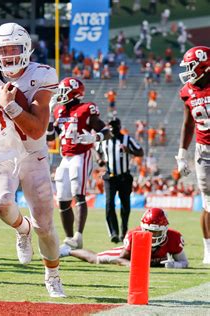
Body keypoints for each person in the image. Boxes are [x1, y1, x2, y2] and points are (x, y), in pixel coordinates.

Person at [0, 22, 65, 298]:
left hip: (34, 155)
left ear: (27, 48)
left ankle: (52, 276)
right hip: (2, 154)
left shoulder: (42, 75)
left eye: (14, 48)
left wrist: (10, 106)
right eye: (2, 50)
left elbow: (36, 129)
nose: (8, 55)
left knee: (46, 226)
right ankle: (22, 230)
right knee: (0, 204)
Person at [52, 77, 110, 251]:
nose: (60, 95)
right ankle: (69, 239)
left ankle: (78, 235)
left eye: (64, 91)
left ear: (74, 93)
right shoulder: (59, 111)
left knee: (79, 194)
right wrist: (48, 115)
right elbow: (49, 136)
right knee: (62, 198)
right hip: (65, 157)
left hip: (81, 154)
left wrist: (95, 137)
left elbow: (106, 130)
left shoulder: (86, 109)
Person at [60, 208, 189, 269]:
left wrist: (175, 265)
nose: (153, 235)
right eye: (149, 231)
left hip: (144, 259)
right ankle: (69, 251)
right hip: (130, 254)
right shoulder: (134, 235)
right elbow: (121, 258)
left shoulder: (173, 237)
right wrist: (133, 265)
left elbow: (184, 262)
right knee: (96, 259)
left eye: (156, 232)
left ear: (165, 229)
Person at [175, 46, 210, 265]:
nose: (188, 71)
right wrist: (181, 153)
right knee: (209, 204)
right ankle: (209, 249)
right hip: (204, 152)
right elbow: (188, 124)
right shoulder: (187, 90)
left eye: (191, 66)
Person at [95, 117, 143, 243]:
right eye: (110, 125)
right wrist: (99, 160)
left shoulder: (127, 139)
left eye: (114, 125)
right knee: (109, 204)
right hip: (110, 177)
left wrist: (130, 151)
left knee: (125, 206)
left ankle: (124, 230)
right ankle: (114, 232)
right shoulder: (104, 141)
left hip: (124, 177)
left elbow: (141, 151)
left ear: (119, 126)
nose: (112, 128)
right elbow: (97, 151)